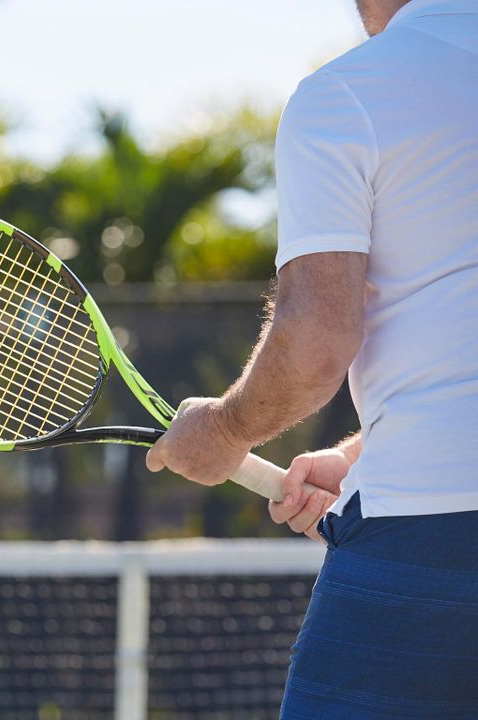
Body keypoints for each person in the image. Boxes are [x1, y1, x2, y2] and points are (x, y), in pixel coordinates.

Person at [143, 0, 478, 716]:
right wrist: (363, 454)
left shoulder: (348, 96)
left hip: (426, 543)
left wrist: (225, 431)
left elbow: (319, 342)